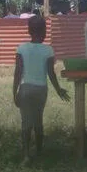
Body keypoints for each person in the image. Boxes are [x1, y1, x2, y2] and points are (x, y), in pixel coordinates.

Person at [13, 15, 70, 165]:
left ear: (29, 31)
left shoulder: (21, 48)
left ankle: (26, 155)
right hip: (40, 90)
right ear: (44, 31)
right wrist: (59, 90)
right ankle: (39, 151)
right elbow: (51, 73)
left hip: (25, 89)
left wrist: (15, 92)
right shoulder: (48, 50)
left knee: (26, 123)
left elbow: (17, 72)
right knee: (38, 121)